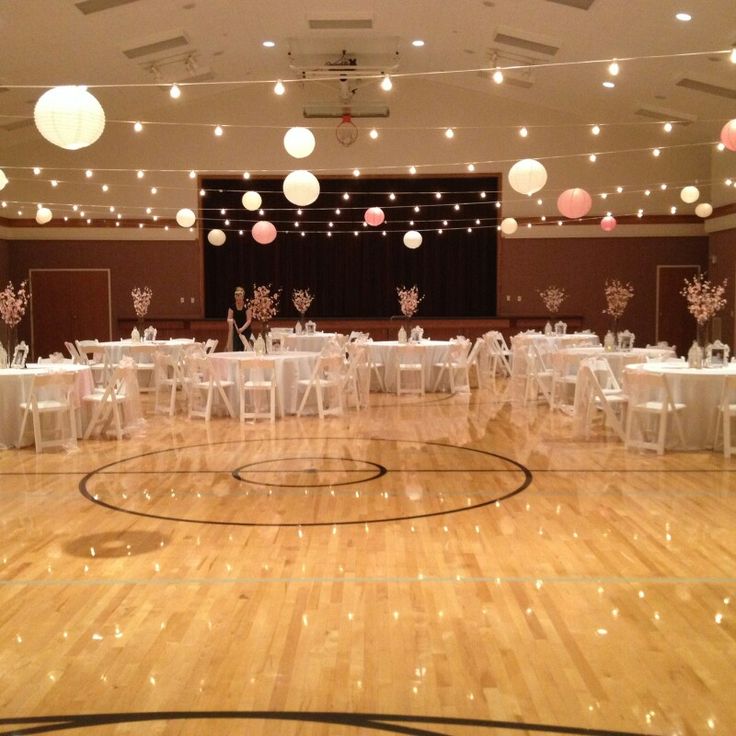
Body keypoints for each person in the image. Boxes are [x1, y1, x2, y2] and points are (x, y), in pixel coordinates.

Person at [227, 286, 253, 351]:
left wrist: (242, 329)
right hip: (236, 331)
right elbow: (228, 318)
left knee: (244, 349)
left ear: (243, 297)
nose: (238, 299)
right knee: (236, 348)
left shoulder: (247, 307)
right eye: (237, 296)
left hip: (246, 330)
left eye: (240, 297)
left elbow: (249, 320)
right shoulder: (232, 307)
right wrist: (231, 320)